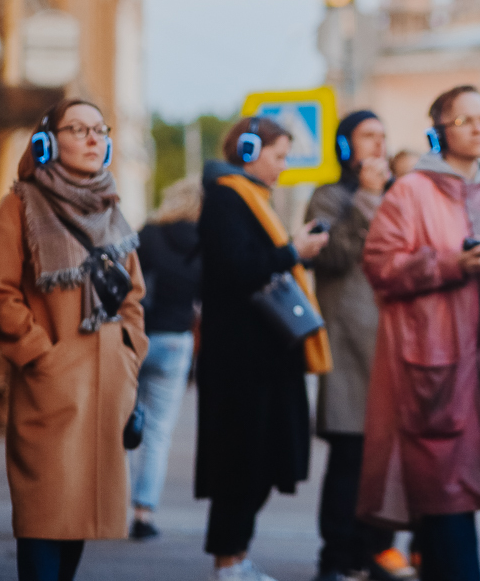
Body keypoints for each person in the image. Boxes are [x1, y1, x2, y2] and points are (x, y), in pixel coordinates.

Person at [358, 85, 480, 581]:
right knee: (444, 495)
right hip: (431, 365)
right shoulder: (411, 190)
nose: (479, 128)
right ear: (439, 132)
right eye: (465, 120)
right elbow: (380, 265)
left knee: (454, 500)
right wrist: (449, 265)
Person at [0, 99, 146, 581]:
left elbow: (134, 296)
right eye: (79, 130)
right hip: (50, 390)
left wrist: (130, 356)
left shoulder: (112, 211)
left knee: (80, 521)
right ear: (49, 143)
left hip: (109, 387)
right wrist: (41, 357)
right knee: (44, 515)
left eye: (100, 130)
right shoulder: (20, 207)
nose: (94, 139)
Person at [195, 117, 330, 581]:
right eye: (278, 155)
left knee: (264, 461)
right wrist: (295, 251)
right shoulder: (226, 198)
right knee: (240, 464)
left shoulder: (252, 198)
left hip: (267, 357)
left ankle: (237, 556)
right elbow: (237, 269)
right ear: (249, 150)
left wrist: (293, 249)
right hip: (241, 362)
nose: (283, 166)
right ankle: (228, 562)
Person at [306, 111, 414, 581]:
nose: (379, 145)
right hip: (350, 344)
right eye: (368, 136)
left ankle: (377, 550)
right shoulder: (329, 197)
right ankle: (336, 557)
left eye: (383, 135)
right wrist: (367, 196)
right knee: (350, 454)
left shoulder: (401, 194)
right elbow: (330, 256)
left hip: (394, 342)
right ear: (345, 146)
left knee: (390, 457)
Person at [129, 176, 203, 540]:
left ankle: (111, 507)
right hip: (176, 340)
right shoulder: (204, 243)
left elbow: (127, 282)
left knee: (122, 424)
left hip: (135, 337)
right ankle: (143, 514)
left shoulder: (149, 234)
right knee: (158, 431)